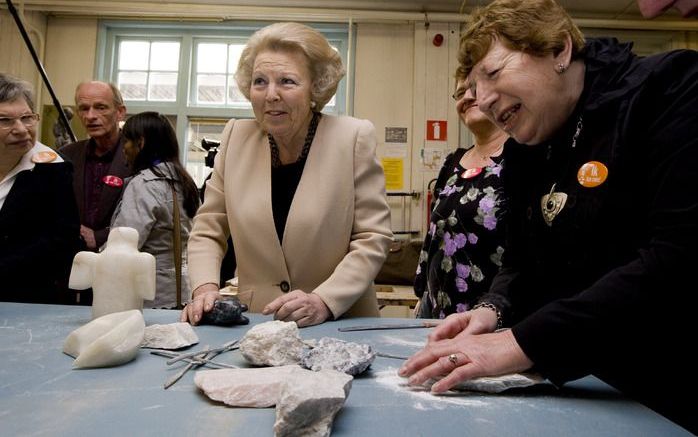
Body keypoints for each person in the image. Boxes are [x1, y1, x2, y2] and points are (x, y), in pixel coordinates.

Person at [398, 0, 698, 432]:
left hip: (671, 390)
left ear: (559, 50)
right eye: (474, 85)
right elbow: (524, 262)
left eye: (493, 73)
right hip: (589, 388)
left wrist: (519, 342)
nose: (481, 99)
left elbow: (676, 260)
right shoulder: (526, 148)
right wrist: (492, 310)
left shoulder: (669, 90)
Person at [181, 22, 392, 328]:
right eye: (260, 82)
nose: (271, 95)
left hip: (340, 321)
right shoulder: (235, 136)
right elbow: (208, 227)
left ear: (315, 88)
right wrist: (204, 287)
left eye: (287, 82)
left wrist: (324, 300)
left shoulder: (352, 137)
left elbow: (373, 237)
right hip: (259, 321)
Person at [415, 76, 508, 319]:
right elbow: (435, 237)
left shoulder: (522, 157)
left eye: (475, 89)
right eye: (460, 92)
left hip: (492, 317)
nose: (467, 97)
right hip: (440, 314)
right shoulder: (452, 163)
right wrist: (424, 295)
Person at [0, 73, 81, 303]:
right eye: (5, 121)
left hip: (26, 298)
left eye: (27, 118)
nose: (21, 129)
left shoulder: (53, 167)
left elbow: (62, 241)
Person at [110, 112, 200, 308]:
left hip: (149, 294)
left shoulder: (143, 184)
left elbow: (125, 243)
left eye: (126, 141)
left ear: (140, 143)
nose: (123, 148)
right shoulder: (184, 181)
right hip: (183, 290)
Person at [59, 81, 132, 305]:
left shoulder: (138, 158)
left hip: (121, 272)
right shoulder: (65, 156)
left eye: (100, 107)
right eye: (84, 108)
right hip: (70, 271)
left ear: (120, 112)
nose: (91, 116)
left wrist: (99, 237)